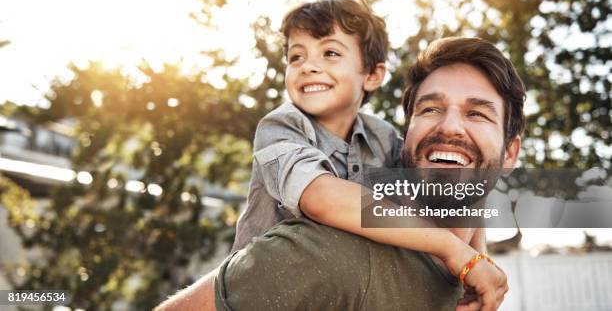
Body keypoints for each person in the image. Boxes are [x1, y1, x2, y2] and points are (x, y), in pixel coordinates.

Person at [155, 36, 524, 311]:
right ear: (407, 137)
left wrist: (473, 256)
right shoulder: (328, 255)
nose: (450, 127)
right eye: (429, 109)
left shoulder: (475, 285)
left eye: (478, 113)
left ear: (511, 153)